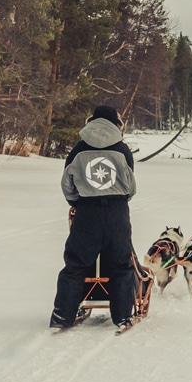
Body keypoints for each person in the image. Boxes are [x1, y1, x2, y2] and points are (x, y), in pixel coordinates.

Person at [50, 105, 137, 331]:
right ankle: (122, 317)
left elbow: (67, 184)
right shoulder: (122, 149)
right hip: (117, 212)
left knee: (75, 265)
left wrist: (76, 202)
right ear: (115, 123)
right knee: (121, 264)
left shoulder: (78, 149)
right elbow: (130, 187)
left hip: (86, 213)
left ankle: (61, 317)